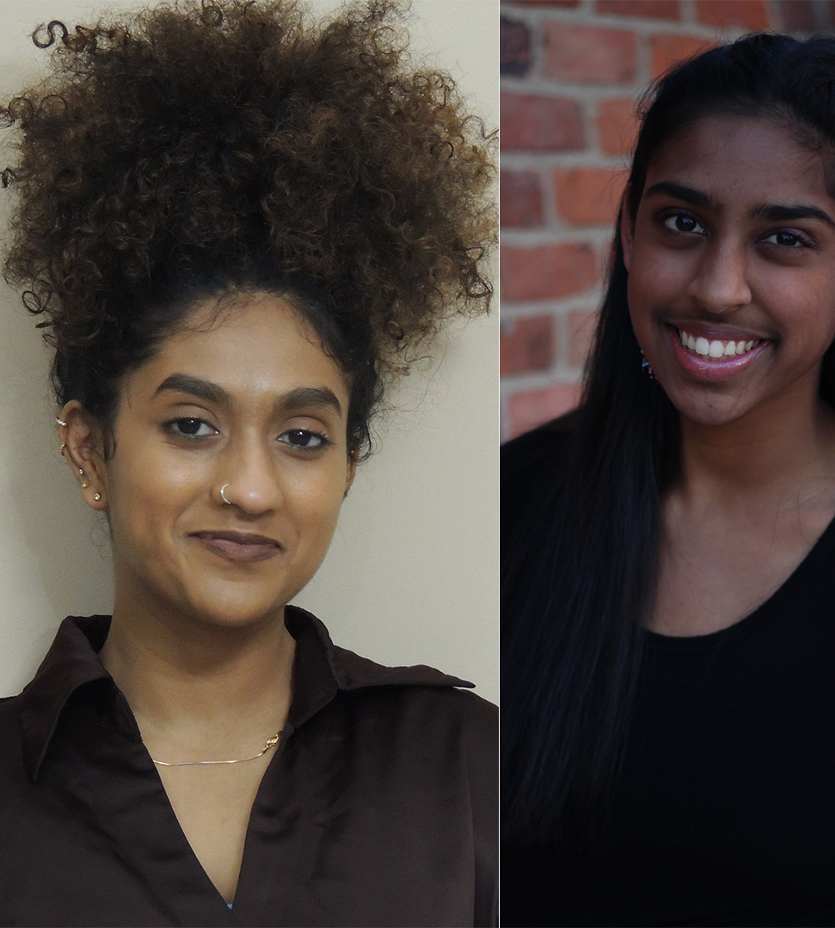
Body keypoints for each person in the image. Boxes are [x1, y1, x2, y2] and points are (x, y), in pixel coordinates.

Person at [0, 1, 497, 923]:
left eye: (303, 437)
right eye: (191, 425)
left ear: (348, 465)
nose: (252, 488)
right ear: (88, 449)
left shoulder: (469, 765)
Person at [501, 33, 835, 927]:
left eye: (785, 239)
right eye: (681, 223)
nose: (719, 286)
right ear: (628, 229)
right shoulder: (514, 501)